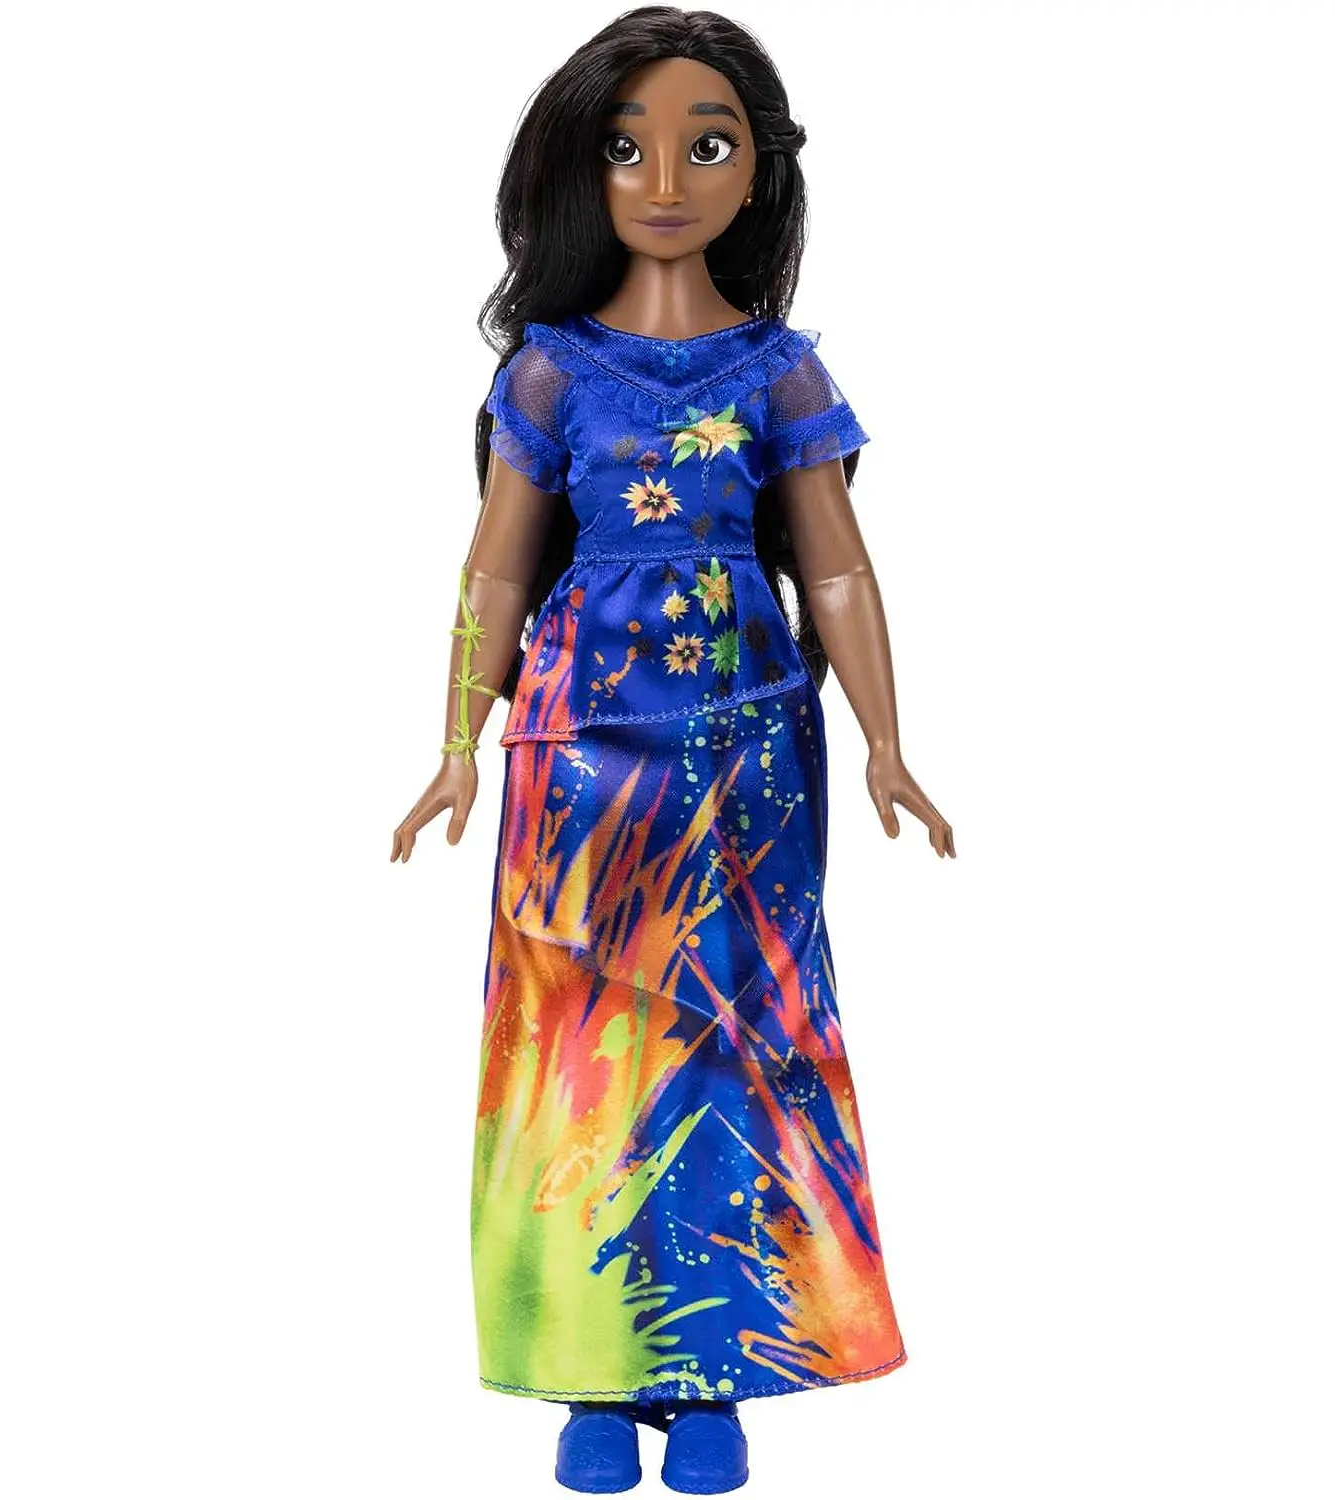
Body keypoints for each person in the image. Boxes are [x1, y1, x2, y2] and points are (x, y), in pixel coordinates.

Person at [392, 8, 955, 1493]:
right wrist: (456, 741)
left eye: (706, 145)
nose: (661, 179)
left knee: (739, 1041)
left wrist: (887, 740)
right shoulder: (548, 374)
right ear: (578, 169)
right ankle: (590, 1367)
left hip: (745, 753)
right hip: (579, 754)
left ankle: (714, 1372)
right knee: (577, 1050)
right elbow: (495, 568)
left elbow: (837, 566)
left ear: (759, 170)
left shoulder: (779, 373)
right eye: (625, 146)